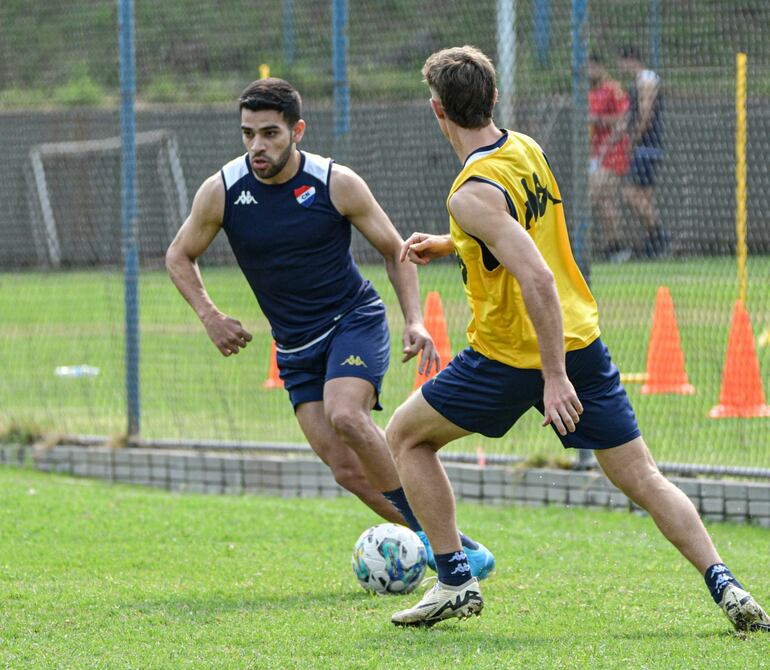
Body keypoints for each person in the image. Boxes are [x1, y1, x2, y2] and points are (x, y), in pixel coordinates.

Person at [385, 45, 770, 631]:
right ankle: (727, 585)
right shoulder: (524, 148)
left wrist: (552, 377)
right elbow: (512, 230)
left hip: (513, 357)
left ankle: (455, 578)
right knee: (644, 477)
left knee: (406, 437)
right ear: (491, 98)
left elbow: (535, 272)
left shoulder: (469, 193)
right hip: (580, 339)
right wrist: (455, 242)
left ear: (437, 109)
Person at [165, 77, 495, 578]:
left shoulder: (334, 182)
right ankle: (453, 544)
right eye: (248, 133)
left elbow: (394, 249)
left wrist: (414, 320)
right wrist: (209, 315)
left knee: (347, 414)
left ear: (297, 130)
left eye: (270, 133)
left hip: (352, 321)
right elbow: (179, 255)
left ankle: (438, 547)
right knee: (344, 469)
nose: (258, 145)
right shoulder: (223, 191)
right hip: (295, 348)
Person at [617, 45, 668, 258]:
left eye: (621, 62)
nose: (620, 68)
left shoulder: (646, 79)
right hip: (645, 146)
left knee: (630, 194)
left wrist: (633, 140)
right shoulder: (638, 82)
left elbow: (645, 114)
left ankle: (660, 234)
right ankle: (655, 242)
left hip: (646, 146)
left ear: (631, 59)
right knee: (645, 197)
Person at [588, 53, 631, 263]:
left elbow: (624, 119)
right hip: (596, 154)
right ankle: (615, 245)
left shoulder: (613, 88)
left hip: (613, 153)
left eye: (592, 66)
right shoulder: (589, 93)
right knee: (606, 202)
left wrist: (601, 121)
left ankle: (581, 246)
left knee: (593, 195)